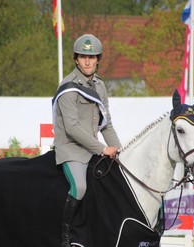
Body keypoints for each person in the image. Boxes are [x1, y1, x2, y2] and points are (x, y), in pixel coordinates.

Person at [52, 34, 122, 247]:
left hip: (92, 149)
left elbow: (106, 124)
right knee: (80, 187)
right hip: (71, 149)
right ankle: (65, 236)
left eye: (92, 57)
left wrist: (119, 150)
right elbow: (72, 128)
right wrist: (102, 148)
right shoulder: (68, 87)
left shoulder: (100, 86)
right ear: (76, 59)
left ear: (98, 59)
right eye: (83, 57)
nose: (88, 61)